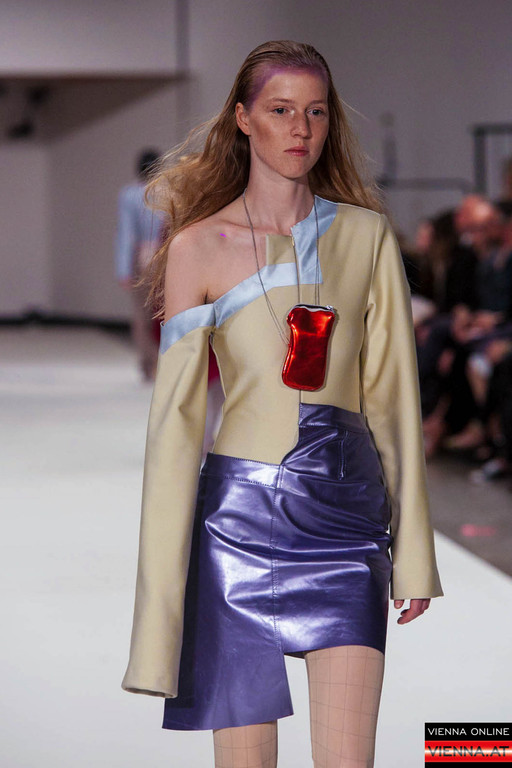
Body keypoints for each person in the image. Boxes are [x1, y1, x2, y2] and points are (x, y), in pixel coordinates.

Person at [121, 40, 443, 768]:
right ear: (243, 119)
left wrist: (414, 552)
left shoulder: (364, 235)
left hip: (347, 529)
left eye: (316, 112)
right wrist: (162, 606)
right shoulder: (197, 247)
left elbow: (394, 397)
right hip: (238, 528)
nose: (300, 128)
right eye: (280, 110)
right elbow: (175, 428)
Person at [115, 149, 163, 381]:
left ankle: (148, 363)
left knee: (141, 314)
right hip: (166, 255)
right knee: (162, 314)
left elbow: (126, 233)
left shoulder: (130, 194)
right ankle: (162, 363)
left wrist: (123, 269)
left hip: (142, 256)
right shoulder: (169, 191)